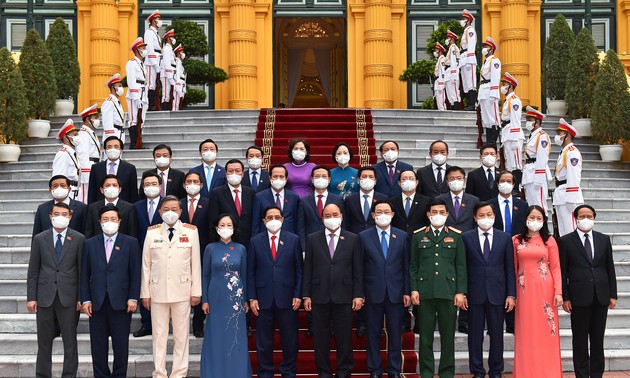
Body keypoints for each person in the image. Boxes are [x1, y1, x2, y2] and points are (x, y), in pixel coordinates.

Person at [141, 195, 201, 378]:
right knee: (158, 337)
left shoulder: (190, 232)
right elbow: (146, 264)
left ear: (181, 212)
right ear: (159, 212)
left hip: (182, 292)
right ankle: (159, 373)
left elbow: (195, 264)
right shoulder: (152, 233)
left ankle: (178, 373)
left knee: (181, 337)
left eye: (174, 209)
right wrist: (145, 293)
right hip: (157, 291)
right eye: (166, 209)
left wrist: (196, 291)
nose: (170, 213)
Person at [303, 203, 364, 378]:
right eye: (327, 215)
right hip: (319, 296)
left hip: (344, 296)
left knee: (344, 338)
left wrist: (358, 295)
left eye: (335, 214)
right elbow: (308, 269)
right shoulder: (312, 238)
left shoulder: (353, 238)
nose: (331, 218)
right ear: (322, 218)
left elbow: (357, 269)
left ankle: (344, 371)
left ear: (342, 216)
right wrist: (306, 294)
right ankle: (324, 372)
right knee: (320, 339)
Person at [80, 205, 141, 378]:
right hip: (97, 302)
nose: (109, 222)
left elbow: (135, 273)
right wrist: (85, 299)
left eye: (113, 219)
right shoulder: (89, 244)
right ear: (99, 222)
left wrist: (133, 298)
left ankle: (119, 375)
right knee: (98, 345)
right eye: (105, 219)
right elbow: (84, 273)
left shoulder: (130, 242)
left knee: (121, 345)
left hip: (121, 302)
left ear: (120, 222)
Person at [410, 198, 466, 378]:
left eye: (442, 212)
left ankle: (446, 373)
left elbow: (460, 266)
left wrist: (460, 292)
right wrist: (414, 289)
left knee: (447, 337)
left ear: (447, 214)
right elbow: (413, 266)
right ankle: (426, 373)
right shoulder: (419, 235)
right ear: (428, 214)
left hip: (448, 292)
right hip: (425, 292)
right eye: (434, 212)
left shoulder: (456, 236)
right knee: (425, 338)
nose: (438, 215)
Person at [27, 202, 84, 378]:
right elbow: (33, 270)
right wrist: (31, 297)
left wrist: (82, 297)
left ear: (70, 216)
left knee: (70, 341)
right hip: (44, 296)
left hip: (69, 297)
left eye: (64, 214)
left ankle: (69, 374)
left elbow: (82, 270)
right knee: (44, 341)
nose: (60, 217)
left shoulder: (79, 238)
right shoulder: (40, 238)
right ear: (50, 216)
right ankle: (42, 374)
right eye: (56, 213)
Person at [560, 205, 617, 378]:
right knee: (580, 340)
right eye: (582, 216)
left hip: (601, 296)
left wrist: (613, 294)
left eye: (589, 215)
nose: (585, 219)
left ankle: (596, 374)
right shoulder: (565, 241)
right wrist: (565, 297)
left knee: (598, 340)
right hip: (578, 297)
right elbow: (563, 272)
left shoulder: (603, 239)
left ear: (594, 217)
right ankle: (582, 375)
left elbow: (610, 268)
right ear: (576, 218)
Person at [461, 202, 515, 378]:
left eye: (489, 214)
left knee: (497, 335)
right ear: (475, 218)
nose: (486, 218)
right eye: (482, 215)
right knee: (475, 336)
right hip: (474, 293)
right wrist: (462, 292)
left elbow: (509, 268)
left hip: (498, 294)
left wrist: (511, 294)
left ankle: (496, 370)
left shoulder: (505, 238)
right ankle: (477, 370)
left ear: (494, 216)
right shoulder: (466, 237)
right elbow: (462, 267)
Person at [247, 206, 303, 378]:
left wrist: (297, 294)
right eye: (269, 217)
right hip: (263, 298)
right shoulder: (255, 241)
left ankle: (288, 371)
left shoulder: (293, 240)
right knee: (264, 341)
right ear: (263, 221)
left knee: (290, 340)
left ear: (282, 219)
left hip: (287, 298)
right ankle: (265, 372)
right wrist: (252, 297)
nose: (273, 220)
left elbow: (300, 270)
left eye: (276, 217)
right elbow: (250, 271)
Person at [359, 201, 410, 378]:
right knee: (373, 332)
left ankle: (394, 369)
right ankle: (375, 369)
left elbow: (406, 266)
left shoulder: (402, 236)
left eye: (386, 211)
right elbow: (359, 268)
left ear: (392, 214)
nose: (382, 214)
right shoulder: (364, 236)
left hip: (396, 292)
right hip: (372, 292)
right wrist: (360, 293)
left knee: (395, 332)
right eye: (378, 212)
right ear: (372, 215)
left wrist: (407, 291)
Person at [512, 205, 563, 377]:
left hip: (545, 290)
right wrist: (511, 293)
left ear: (544, 221)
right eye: (532, 217)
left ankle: (549, 372)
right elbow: (513, 267)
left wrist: (558, 291)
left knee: (546, 332)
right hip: (523, 290)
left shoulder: (549, 240)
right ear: (525, 219)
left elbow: (555, 267)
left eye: (539, 218)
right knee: (526, 331)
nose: (535, 221)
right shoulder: (516, 240)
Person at [200, 214, 251, 377]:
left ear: (234, 228)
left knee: (235, 336)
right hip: (215, 297)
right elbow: (205, 275)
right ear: (216, 228)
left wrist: (245, 300)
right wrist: (205, 300)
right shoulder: (210, 248)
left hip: (235, 299)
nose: (226, 228)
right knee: (216, 336)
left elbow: (244, 275)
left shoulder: (241, 248)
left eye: (229, 225)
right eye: (222, 225)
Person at [179, 171, 211, 338]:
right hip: (181, 251)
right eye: (189, 181)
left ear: (201, 185)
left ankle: (198, 323)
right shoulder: (178, 204)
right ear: (184, 185)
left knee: (199, 284)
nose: (192, 184)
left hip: (203, 249)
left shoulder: (208, 203)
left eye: (195, 181)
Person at [132, 172, 163, 338]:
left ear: (160, 186)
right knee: (144, 286)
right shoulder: (136, 206)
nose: (150, 187)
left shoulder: (168, 205)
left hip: (163, 253)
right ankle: (146, 323)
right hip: (142, 251)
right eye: (147, 184)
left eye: (153, 183)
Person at [207, 159, 256, 248]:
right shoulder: (216, 193)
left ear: (243, 174)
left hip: (248, 240)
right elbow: (213, 220)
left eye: (237, 171)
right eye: (230, 171)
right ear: (226, 174)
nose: (234, 173)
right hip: (225, 240)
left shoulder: (251, 193)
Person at [296, 165, 345, 250]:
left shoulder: (338, 200)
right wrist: (303, 248)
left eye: (324, 176)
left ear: (329, 180)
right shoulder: (303, 201)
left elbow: (343, 224)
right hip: (311, 244)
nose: (320, 179)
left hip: (333, 242)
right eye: (317, 176)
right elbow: (300, 227)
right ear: (312, 179)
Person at [553, 119, 583, 237]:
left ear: (567, 135)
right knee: (563, 232)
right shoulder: (564, 152)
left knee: (571, 231)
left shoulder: (572, 153)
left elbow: (574, 176)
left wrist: (572, 199)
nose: (557, 136)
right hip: (561, 194)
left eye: (560, 133)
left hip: (568, 197)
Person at [84, 174, 138, 239]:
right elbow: (88, 232)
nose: (111, 188)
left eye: (114, 185)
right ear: (102, 190)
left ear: (120, 189)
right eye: (107, 185)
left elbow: (132, 232)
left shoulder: (129, 208)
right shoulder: (92, 208)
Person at [251, 164, 300, 236]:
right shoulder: (259, 197)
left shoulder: (294, 197)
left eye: (281, 176)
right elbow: (255, 224)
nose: (278, 179)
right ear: (270, 178)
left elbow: (297, 222)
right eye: (275, 176)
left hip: (289, 238)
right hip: (265, 238)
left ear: (286, 179)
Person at [88, 136, 138, 204]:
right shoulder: (96, 168)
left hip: (123, 208)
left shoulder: (130, 168)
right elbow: (92, 192)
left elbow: (133, 194)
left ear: (121, 150)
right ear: (105, 150)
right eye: (109, 147)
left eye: (116, 147)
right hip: (100, 208)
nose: (113, 149)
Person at [522, 106, 551, 211]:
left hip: (536, 173)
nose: (527, 123)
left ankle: (543, 227)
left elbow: (542, 158)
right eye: (527, 120)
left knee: (539, 205)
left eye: (530, 120)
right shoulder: (532, 135)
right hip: (529, 172)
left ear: (537, 122)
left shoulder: (542, 136)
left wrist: (539, 178)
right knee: (531, 205)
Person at [344, 166, 388, 235]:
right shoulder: (349, 200)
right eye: (364, 176)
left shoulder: (383, 199)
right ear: (358, 180)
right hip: (355, 237)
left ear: (375, 181)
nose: (367, 179)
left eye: (371, 177)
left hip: (376, 237)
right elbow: (346, 222)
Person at [437, 166, 480, 233]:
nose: (455, 181)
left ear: (464, 180)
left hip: (467, 237)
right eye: (452, 178)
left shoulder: (474, 200)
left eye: (459, 178)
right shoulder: (439, 200)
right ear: (447, 182)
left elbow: (476, 222)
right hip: (446, 238)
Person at [499, 72, 524, 186]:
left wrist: (514, 139)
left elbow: (515, 120)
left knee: (516, 162)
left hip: (513, 134)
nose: (502, 87)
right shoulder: (508, 100)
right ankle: (511, 185)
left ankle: (517, 187)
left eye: (504, 84)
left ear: (510, 86)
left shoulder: (514, 100)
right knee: (509, 162)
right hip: (507, 132)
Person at [389, 169, 430, 236]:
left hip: (419, 240)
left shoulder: (426, 201)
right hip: (398, 238)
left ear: (417, 182)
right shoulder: (391, 202)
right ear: (399, 183)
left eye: (411, 179)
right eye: (404, 179)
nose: (408, 181)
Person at [488, 170, 528, 237]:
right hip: (496, 242)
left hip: (516, 242)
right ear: (498, 184)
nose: (505, 183)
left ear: (513, 184)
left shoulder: (523, 205)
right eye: (502, 181)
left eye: (509, 181)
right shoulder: (489, 205)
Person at [76, 103, 102, 203]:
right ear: (88, 119)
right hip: (88, 170)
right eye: (95, 117)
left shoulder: (90, 133)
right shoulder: (83, 135)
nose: (97, 120)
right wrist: (87, 176)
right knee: (85, 199)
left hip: (94, 167)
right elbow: (82, 156)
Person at [478, 36, 501, 146]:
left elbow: (495, 78)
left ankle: (492, 141)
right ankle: (488, 141)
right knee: (486, 119)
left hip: (490, 92)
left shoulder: (494, 61)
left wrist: (494, 94)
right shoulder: (485, 62)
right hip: (483, 91)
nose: (484, 49)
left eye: (486, 47)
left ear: (491, 49)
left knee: (494, 118)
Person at [126, 37, 148, 149]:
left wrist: (145, 98)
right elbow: (131, 81)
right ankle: (133, 143)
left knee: (141, 119)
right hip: (134, 95)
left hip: (143, 94)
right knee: (134, 119)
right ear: (136, 50)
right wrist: (136, 98)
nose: (144, 49)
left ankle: (139, 142)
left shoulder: (142, 64)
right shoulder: (131, 63)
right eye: (142, 47)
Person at [52, 119, 82, 202]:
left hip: (75, 192)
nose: (77, 137)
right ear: (66, 137)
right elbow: (58, 177)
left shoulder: (72, 153)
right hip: (67, 193)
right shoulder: (63, 154)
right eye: (74, 135)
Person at [144, 9, 162, 111]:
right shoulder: (149, 33)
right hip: (151, 62)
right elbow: (150, 49)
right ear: (153, 21)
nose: (159, 21)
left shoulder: (156, 34)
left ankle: (154, 104)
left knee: (156, 84)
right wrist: (155, 64)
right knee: (151, 84)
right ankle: (151, 105)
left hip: (158, 60)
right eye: (157, 19)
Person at [459, 9, 478, 110]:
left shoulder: (470, 31)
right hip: (463, 59)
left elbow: (471, 45)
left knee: (471, 83)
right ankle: (469, 104)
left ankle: (472, 104)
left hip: (468, 59)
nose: (462, 21)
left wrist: (469, 60)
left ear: (469, 20)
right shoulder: (465, 32)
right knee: (466, 84)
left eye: (464, 19)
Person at [102, 73, 126, 143]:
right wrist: (111, 140)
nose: (121, 88)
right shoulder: (109, 102)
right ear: (113, 88)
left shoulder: (117, 102)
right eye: (119, 86)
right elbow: (107, 123)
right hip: (113, 134)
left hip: (119, 134)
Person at [444, 30, 461, 110]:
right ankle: (453, 108)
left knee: (454, 94)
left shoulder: (453, 48)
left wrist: (454, 74)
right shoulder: (450, 48)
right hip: (449, 72)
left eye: (448, 38)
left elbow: (454, 61)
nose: (447, 40)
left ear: (452, 39)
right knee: (450, 94)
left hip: (452, 72)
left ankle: (456, 109)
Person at [159, 29, 176, 110]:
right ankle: (164, 111)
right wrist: (169, 76)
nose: (174, 38)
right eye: (172, 37)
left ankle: (167, 109)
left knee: (168, 93)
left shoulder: (170, 49)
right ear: (168, 38)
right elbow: (166, 63)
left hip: (170, 73)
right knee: (166, 94)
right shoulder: (166, 48)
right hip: (166, 74)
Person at [172, 44, 187, 112]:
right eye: (182, 52)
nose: (183, 53)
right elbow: (177, 75)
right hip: (179, 85)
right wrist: (178, 86)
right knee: (176, 104)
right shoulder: (177, 63)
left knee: (179, 104)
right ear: (178, 53)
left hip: (182, 84)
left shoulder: (180, 63)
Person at [433, 42, 447, 111]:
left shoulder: (442, 59)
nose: (435, 52)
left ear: (439, 51)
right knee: (438, 103)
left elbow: (443, 72)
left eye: (436, 50)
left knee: (441, 103)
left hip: (440, 82)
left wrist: (441, 84)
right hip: (437, 82)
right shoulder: (439, 60)